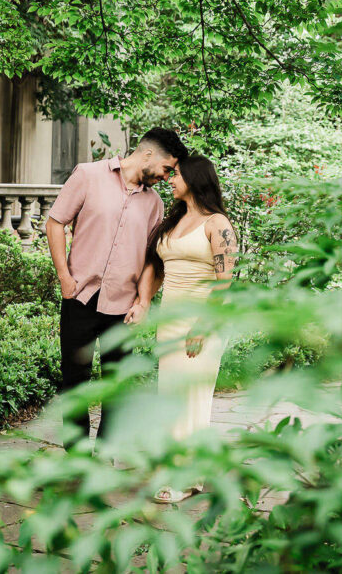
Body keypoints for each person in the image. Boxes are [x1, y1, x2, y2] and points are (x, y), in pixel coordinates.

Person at [46, 128, 189, 449]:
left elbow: (154, 259)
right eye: (167, 169)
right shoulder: (87, 175)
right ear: (149, 155)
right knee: (75, 383)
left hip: (124, 308)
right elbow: (55, 222)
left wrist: (144, 301)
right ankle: (78, 458)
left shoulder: (154, 204)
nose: (167, 178)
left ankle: (106, 451)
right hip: (79, 297)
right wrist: (64, 277)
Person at [127, 155, 238, 503]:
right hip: (170, 321)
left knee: (191, 399)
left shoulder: (217, 224)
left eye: (175, 175)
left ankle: (187, 479)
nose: (170, 180)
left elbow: (225, 282)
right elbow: (157, 267)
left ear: (194, 178)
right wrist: (143, 302)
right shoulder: (174, 222)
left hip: (201, 322)